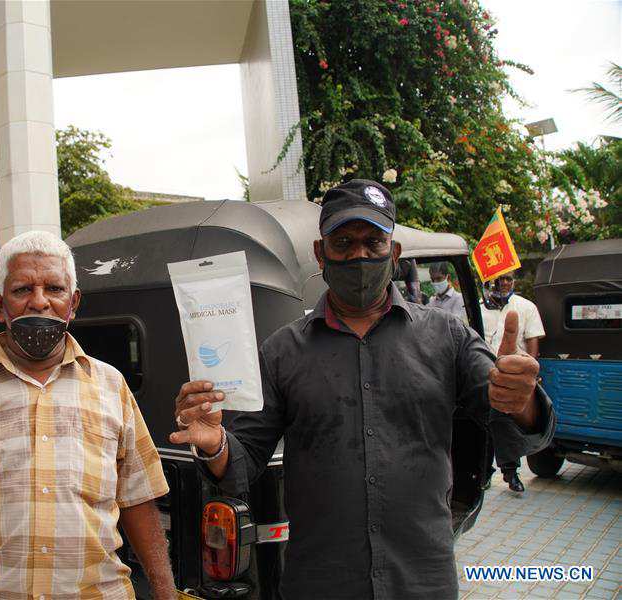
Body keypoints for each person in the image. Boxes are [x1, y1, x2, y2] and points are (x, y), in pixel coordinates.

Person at [170, 180, 555, 599]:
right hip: (320, 582)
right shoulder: (282, 351)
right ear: (321, 253)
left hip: (421, 580)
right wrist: (215, 444)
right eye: (343, 242)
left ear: (394, 252)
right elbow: (245, 460)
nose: (359, 255)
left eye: (373, 242)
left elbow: (517, 427)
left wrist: (523, 400)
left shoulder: (447, 336)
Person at [0, 231, 175, 600]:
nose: (39, 301)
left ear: (73, 303)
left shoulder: (111, 387)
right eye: (22, 289)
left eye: (54, 289)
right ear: (0, 304)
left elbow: (138, 500)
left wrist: (165, 592)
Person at [480, 271, 546, 493]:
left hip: (513, 379)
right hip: (483, 376)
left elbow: (532, 342)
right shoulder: (478, 308)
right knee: (482, 424)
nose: (505, 283)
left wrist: (530, 375)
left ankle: (510, 472)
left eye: (508, 278)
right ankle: (484, 471)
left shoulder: (526, 307)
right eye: (499, 279)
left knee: (505, 423)